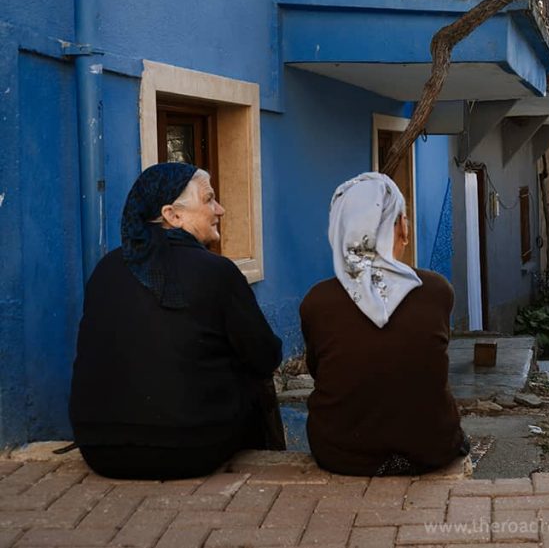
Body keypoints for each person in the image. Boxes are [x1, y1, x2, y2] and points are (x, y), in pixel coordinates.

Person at [69, 163, 283, 479]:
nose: (220, 209)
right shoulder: (216, 271)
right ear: (172, 215)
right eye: (209, 199)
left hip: (99, 449)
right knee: (256, 378)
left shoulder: (106, 268)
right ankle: (269, 460)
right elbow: (266, 357)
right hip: (191, 448)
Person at [300, 172, 469, 476]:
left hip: (341, 454)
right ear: (402, 228)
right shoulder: (435, 291)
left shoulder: (317, 301)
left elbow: (318, 368)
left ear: (339, 230)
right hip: (431, 449)